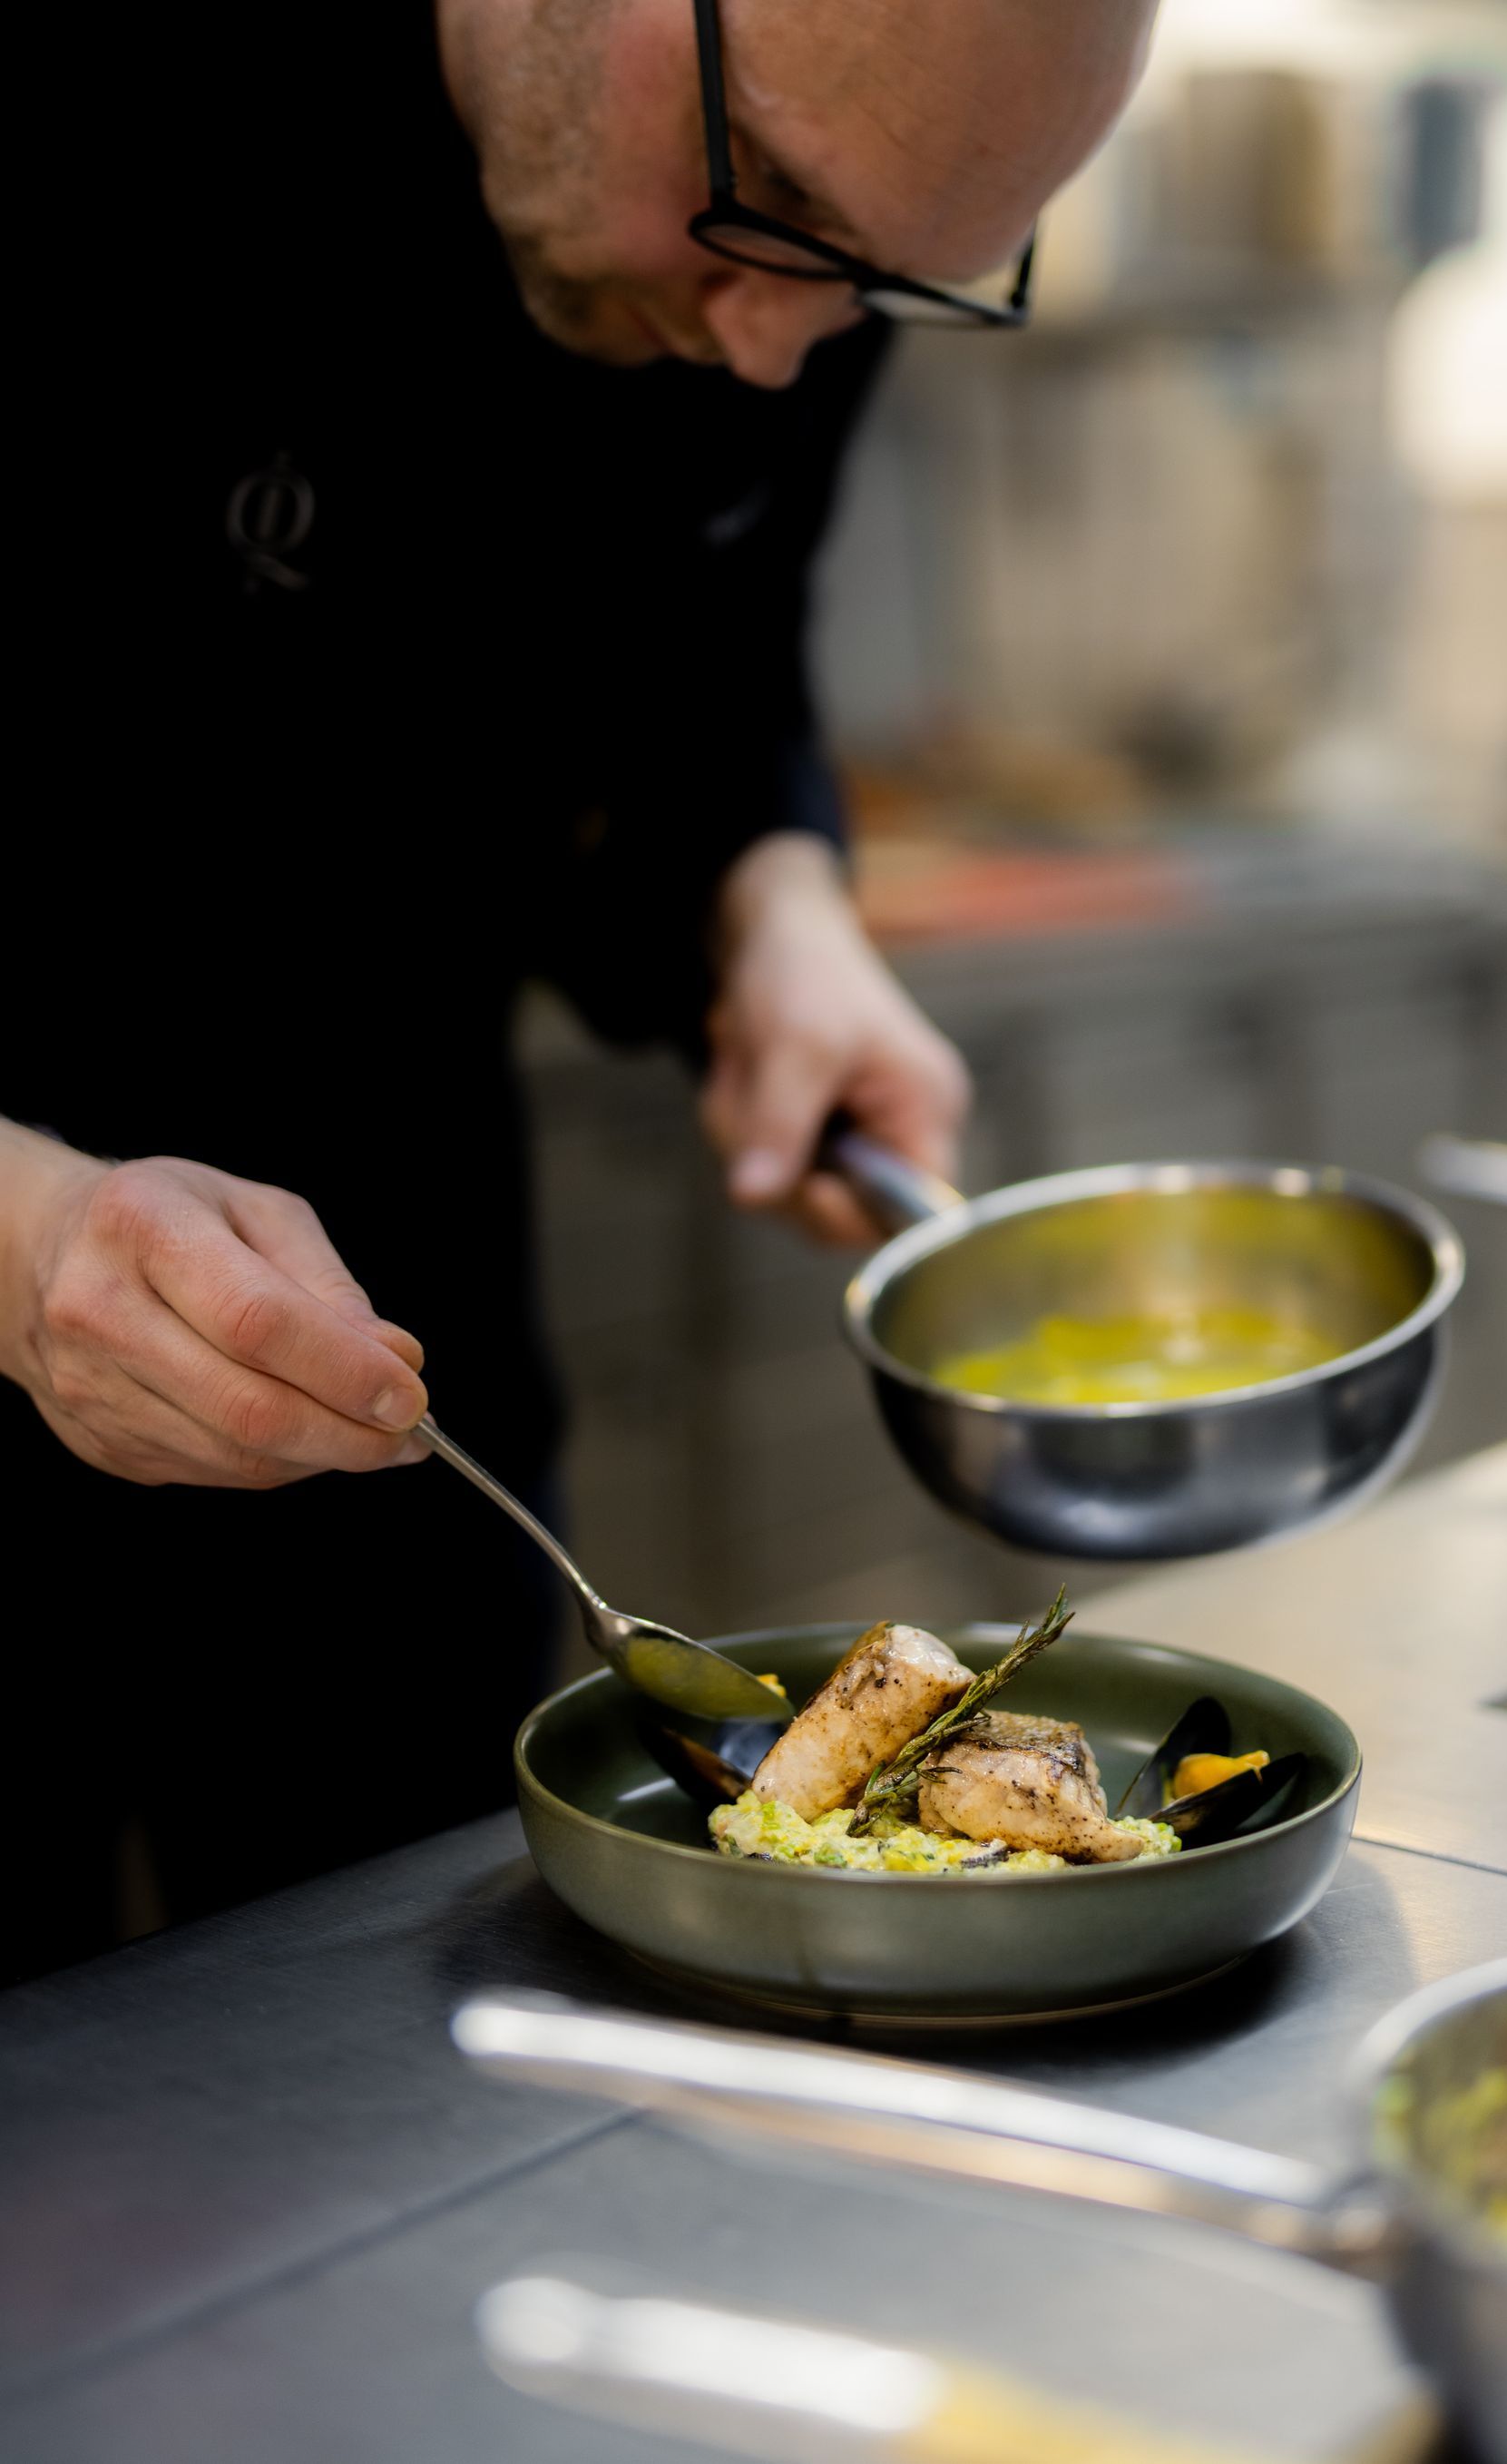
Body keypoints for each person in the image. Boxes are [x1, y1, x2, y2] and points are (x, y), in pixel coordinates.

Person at [0, 0, 1158, 1979]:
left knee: (376, 2076)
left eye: (888, 278)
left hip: (391, 1350)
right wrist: (16, 1231)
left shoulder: (796, 239)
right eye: (776, 200)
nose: (778, 343)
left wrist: (776, 906)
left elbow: (714, 654)